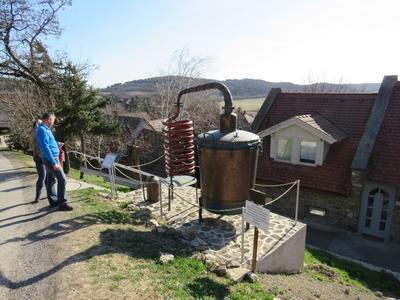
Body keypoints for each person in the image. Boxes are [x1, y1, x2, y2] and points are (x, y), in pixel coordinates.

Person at [36, 113, 73, 211]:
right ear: (48, 119)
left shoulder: (45, 130)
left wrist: (56, 145)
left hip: (51, 157)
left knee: (51, 180)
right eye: (52, 120)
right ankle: (62, 203)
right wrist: (54, 162)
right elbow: (45, 147)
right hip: (50, 159)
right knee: (62, 179)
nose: (53, 122)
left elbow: (48, 144)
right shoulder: (42, 130)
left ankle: (53, 201)